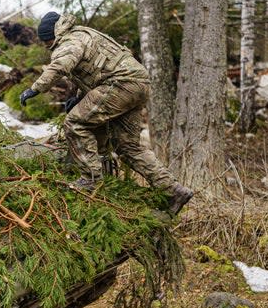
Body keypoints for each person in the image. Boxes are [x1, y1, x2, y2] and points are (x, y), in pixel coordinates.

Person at [19, 11, 193, 214]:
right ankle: (174, 191)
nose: (45, 45)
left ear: (52, 35)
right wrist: (77, 97)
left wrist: (35, 89)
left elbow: (60, 65)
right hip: (137, 84)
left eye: (46, 41)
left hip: (120, 84)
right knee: (128, 147)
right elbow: (89, 69)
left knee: (75, 123)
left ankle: (91, 180)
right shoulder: (82, 34)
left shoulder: (70, 40)